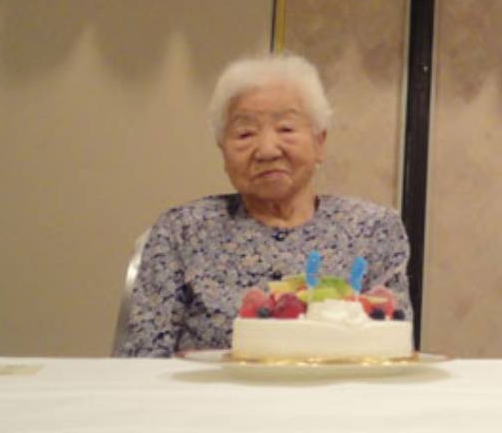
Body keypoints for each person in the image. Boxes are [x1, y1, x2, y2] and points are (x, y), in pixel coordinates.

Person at [115, 53, 411, 357]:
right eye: (245, 133)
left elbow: (391, 348)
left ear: (319, 142)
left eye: (286, 129)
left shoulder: (374, 229)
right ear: (223, 150)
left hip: (335, 400)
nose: (267, 150)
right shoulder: (182, 230)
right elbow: (143, 357)